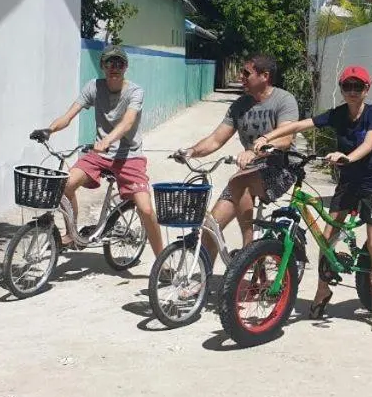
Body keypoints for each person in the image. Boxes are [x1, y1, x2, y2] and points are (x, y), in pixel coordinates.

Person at [256, 64, 372, 333]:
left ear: (367, 89)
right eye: (347, 86)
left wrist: (346, 157)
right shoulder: (338, 114)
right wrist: (266, 136)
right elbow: (300, 124)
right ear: (341, 88)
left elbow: (368, 144)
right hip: (348, 182)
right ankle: (322, 291)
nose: (352, 92)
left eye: (358, 87)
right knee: (326, 237)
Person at [32, 45, 163, 257]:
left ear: (126, 67)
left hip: (129, 156)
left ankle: (163, 261)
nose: (114, 67)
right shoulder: (93, 87)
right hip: (99, 155)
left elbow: (128, 121)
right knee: (65, 185)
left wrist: (108, 140)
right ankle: (71, 234)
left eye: (119, 63)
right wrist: (49, 129)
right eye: (109, 63)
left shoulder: (135, 91)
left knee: (146, 209)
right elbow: (68, 116)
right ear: (102, 66)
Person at [175, 53, 300, 262]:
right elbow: (216, 139)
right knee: (210, 227)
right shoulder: (240, 105)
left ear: (265, 76)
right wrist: (190, 151)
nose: (241, 77)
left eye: (246, 73)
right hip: (248, 172)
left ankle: (249, 252)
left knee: (240, 181)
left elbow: (286, 138)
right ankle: (203, 282)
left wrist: (254, 150)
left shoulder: (284, 100)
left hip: (282, 169)